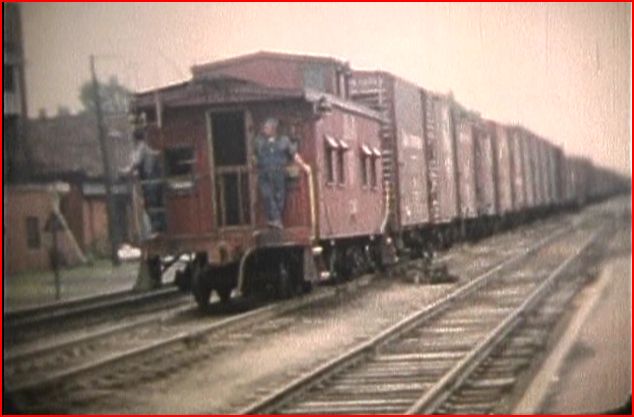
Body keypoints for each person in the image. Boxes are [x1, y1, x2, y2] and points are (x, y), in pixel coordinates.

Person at [254, 118, 309, 229]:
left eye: (267, 127)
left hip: (278, 172)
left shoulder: (284, 141)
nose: (264, 129)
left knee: (279, 197)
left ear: (273, 129)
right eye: (264, 127)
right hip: (264, 172)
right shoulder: (259, 141)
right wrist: (254, 164)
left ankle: (275, 221)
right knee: (267, 195)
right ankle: (276, 220)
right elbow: (254, 156)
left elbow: (294, 155)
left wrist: (304, 166)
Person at [120, 127, 164, 237]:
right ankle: (156, 228)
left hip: (150, 180)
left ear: (135, 138)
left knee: (151, 204)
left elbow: (136, 163)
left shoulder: (141, 148)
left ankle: (156, 229)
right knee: (153, 203)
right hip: (151, 179)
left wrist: (125, 171)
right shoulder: (145, 148)